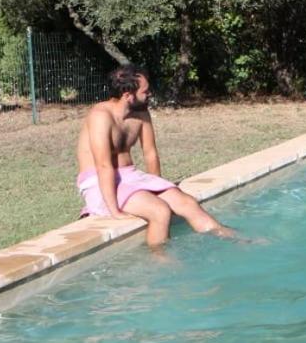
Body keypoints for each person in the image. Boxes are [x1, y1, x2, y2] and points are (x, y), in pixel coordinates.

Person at [76, 66, 235, 247]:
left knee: (187, 203)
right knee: (159, 211)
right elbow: (103, 165)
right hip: (98, 181)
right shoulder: (100, 116)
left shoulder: (140, 112)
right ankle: (161, 260)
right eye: (145, 91)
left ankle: (234, 238)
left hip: (130, 176)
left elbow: (150, 153)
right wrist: (114, 210)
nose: (150, 94)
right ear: (128, 95)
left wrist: (156, 186)